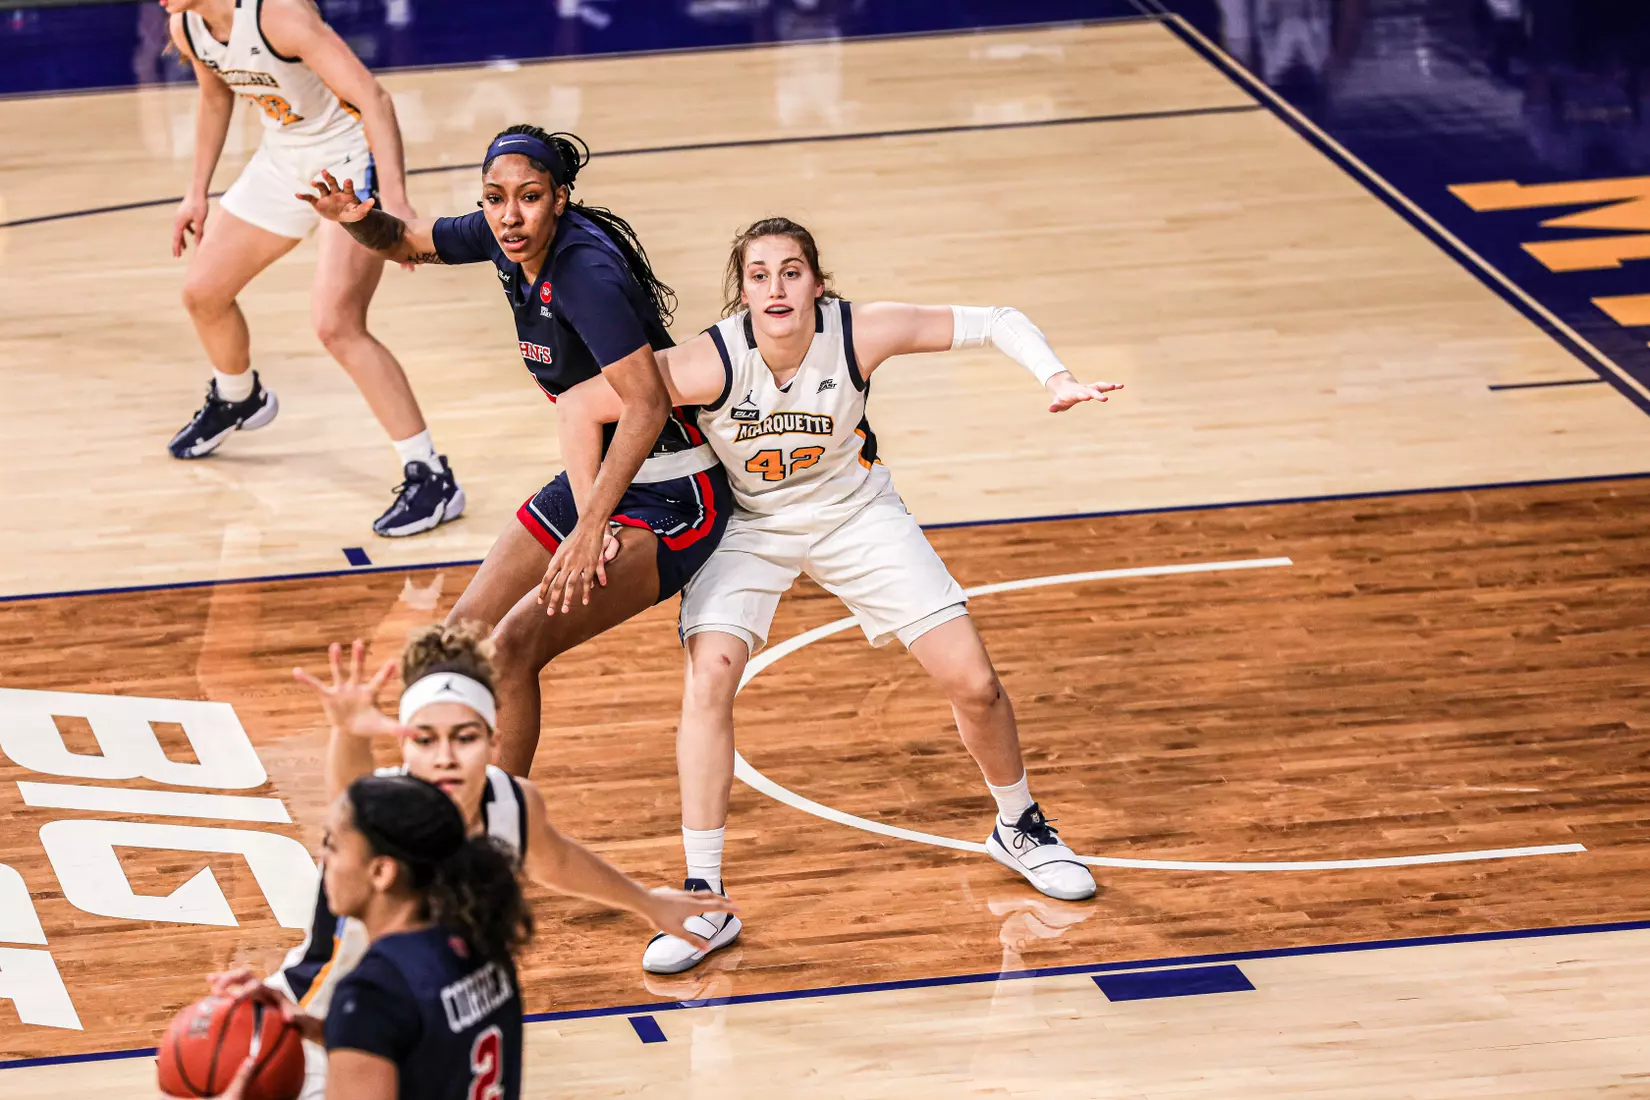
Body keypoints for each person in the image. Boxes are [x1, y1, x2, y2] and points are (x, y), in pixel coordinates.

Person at [556, 217, 1120, 973]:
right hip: (752, 526)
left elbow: (998, 319)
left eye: (791, 272)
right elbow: (580, 406)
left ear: (817, 284)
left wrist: (1056, 378)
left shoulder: (858, 333)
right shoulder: (710, 359)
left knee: (975, 682)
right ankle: (703, 898)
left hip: (856, 512)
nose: (776, 288)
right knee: (709, 678)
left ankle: (1019, 826)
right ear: (743, 292)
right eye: (760, 275)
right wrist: (589, 523)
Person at [299, 126, 732, 776]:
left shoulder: (584, 275)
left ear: (559, 198)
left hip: (674, 492)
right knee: (457, 640)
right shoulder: (503, 236)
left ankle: (503, 820)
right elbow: (407, 240)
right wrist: (357, 219)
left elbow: (646, 405)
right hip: (599, 478)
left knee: (511, 648)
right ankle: (453, 798)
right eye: (494, 198)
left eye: (528, 197)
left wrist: (590, 528)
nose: (508, 215)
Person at [210, 623, 732, 1100]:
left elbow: (555, 860)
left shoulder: (512, 803)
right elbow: (350, 795)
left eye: (464, 738)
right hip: (313, 1014)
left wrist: (646, 903)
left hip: (411, 1026)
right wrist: (347, 732)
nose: (445, 757)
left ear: (493, 740)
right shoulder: (385, 810)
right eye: (425, 739)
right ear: (404, 745)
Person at [162, 0, 463, 537]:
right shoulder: (186, 25)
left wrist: (396, 200)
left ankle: (432, 476)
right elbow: (214, 97)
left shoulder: (277, 16)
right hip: (283, 160)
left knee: (337, 325)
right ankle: (238, 397)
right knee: (203, 293)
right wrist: (196, 192)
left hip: (348, 161)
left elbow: (373, 98)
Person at [189, 772, 531, 1100]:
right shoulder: (481, 940)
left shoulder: (374, 991)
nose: (323, 858)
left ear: (381, 872)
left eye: (333, 845)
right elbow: (423, 1050)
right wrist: (323, 1028)